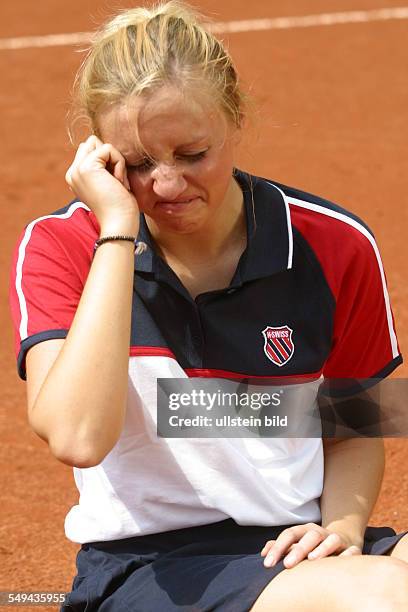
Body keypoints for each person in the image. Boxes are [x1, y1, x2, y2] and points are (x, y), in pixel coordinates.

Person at [8, 2, 408, 611]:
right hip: (152, 566)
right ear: (99, 154)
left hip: (296, 551)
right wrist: (118, 231)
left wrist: (344, 531)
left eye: (193, 154)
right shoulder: (62, 247)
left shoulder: (333, 245)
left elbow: (352, 429)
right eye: (138, 165)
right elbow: (77, 436)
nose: (167, 187)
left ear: (236, 118)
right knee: (383, 598)